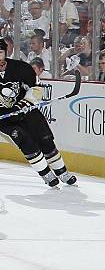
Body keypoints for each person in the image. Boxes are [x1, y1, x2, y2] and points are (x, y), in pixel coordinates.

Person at [0, 37, 76, 187]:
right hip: (4, 119)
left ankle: (62, 171)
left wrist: (22, 105)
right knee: (26, 143)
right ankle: (46, 174)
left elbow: (36, 88)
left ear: (5, 52)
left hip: (26, 112)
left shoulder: (21, 68)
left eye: (0, 52)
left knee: (46, 139)